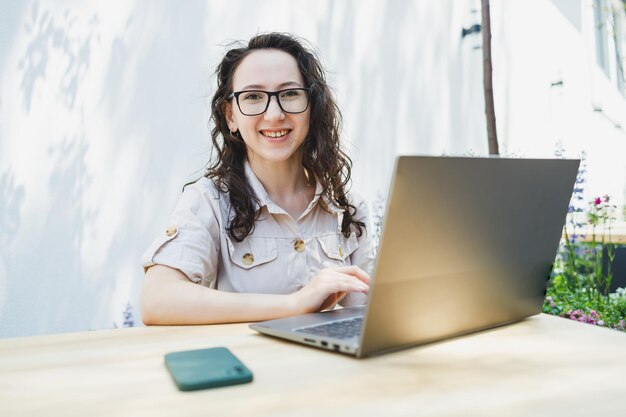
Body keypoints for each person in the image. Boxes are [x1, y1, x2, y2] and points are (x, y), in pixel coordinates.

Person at [140, 32, 374, 325]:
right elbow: (157, 300)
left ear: (312, 107)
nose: (274, 114)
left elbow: (366, 317)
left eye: (290, 94)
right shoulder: (209, 201)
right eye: (253, 97)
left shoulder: (349, 209)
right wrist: (294, 304)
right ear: (231, 116)